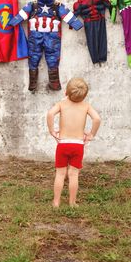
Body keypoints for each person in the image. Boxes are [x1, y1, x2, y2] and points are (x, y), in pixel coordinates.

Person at [47, 77, 101, 208]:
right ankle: (72, 202)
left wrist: (52, 131)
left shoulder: (61, 104)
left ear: (66, 92)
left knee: (60, 174)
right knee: (73, 174)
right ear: (85, 95)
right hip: (78, 145)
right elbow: (97, 119)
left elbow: (50, 114)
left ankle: (56, 202)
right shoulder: (86, 106)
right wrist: (91, 134)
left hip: (63, 144)